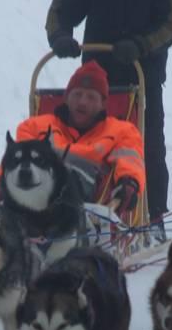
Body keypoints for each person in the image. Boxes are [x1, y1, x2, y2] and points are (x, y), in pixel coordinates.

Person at [45, 0, 172, 239]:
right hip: (95, 82)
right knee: (87, 147)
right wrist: (60, 36)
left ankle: (152, 215)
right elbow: (61, 9)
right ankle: (82, 211)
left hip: (143, 76)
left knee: (147, 146)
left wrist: (142, 44)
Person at [14, 60, 145, 219]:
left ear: (103, 104)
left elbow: (129, 160)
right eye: (77, 94)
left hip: (88, 200)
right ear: (67, 98)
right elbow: (14, 162)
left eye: (91, 97)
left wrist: (128, 183)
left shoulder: (121, 130)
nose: (82, 102)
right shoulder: (34, 126)